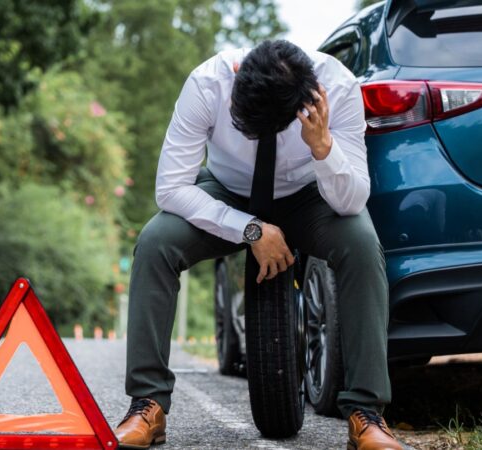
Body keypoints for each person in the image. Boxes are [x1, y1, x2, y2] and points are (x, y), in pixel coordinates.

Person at [113, 40, 402, 450]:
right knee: (156, 242)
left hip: (310, 193)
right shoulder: (208, 83)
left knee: (361, 244)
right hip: (229, 192)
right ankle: (148, 404)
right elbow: (171, 188)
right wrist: (249, 229)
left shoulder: (337, 86)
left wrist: (323, 147)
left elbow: (351, 201)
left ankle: (366, 413)